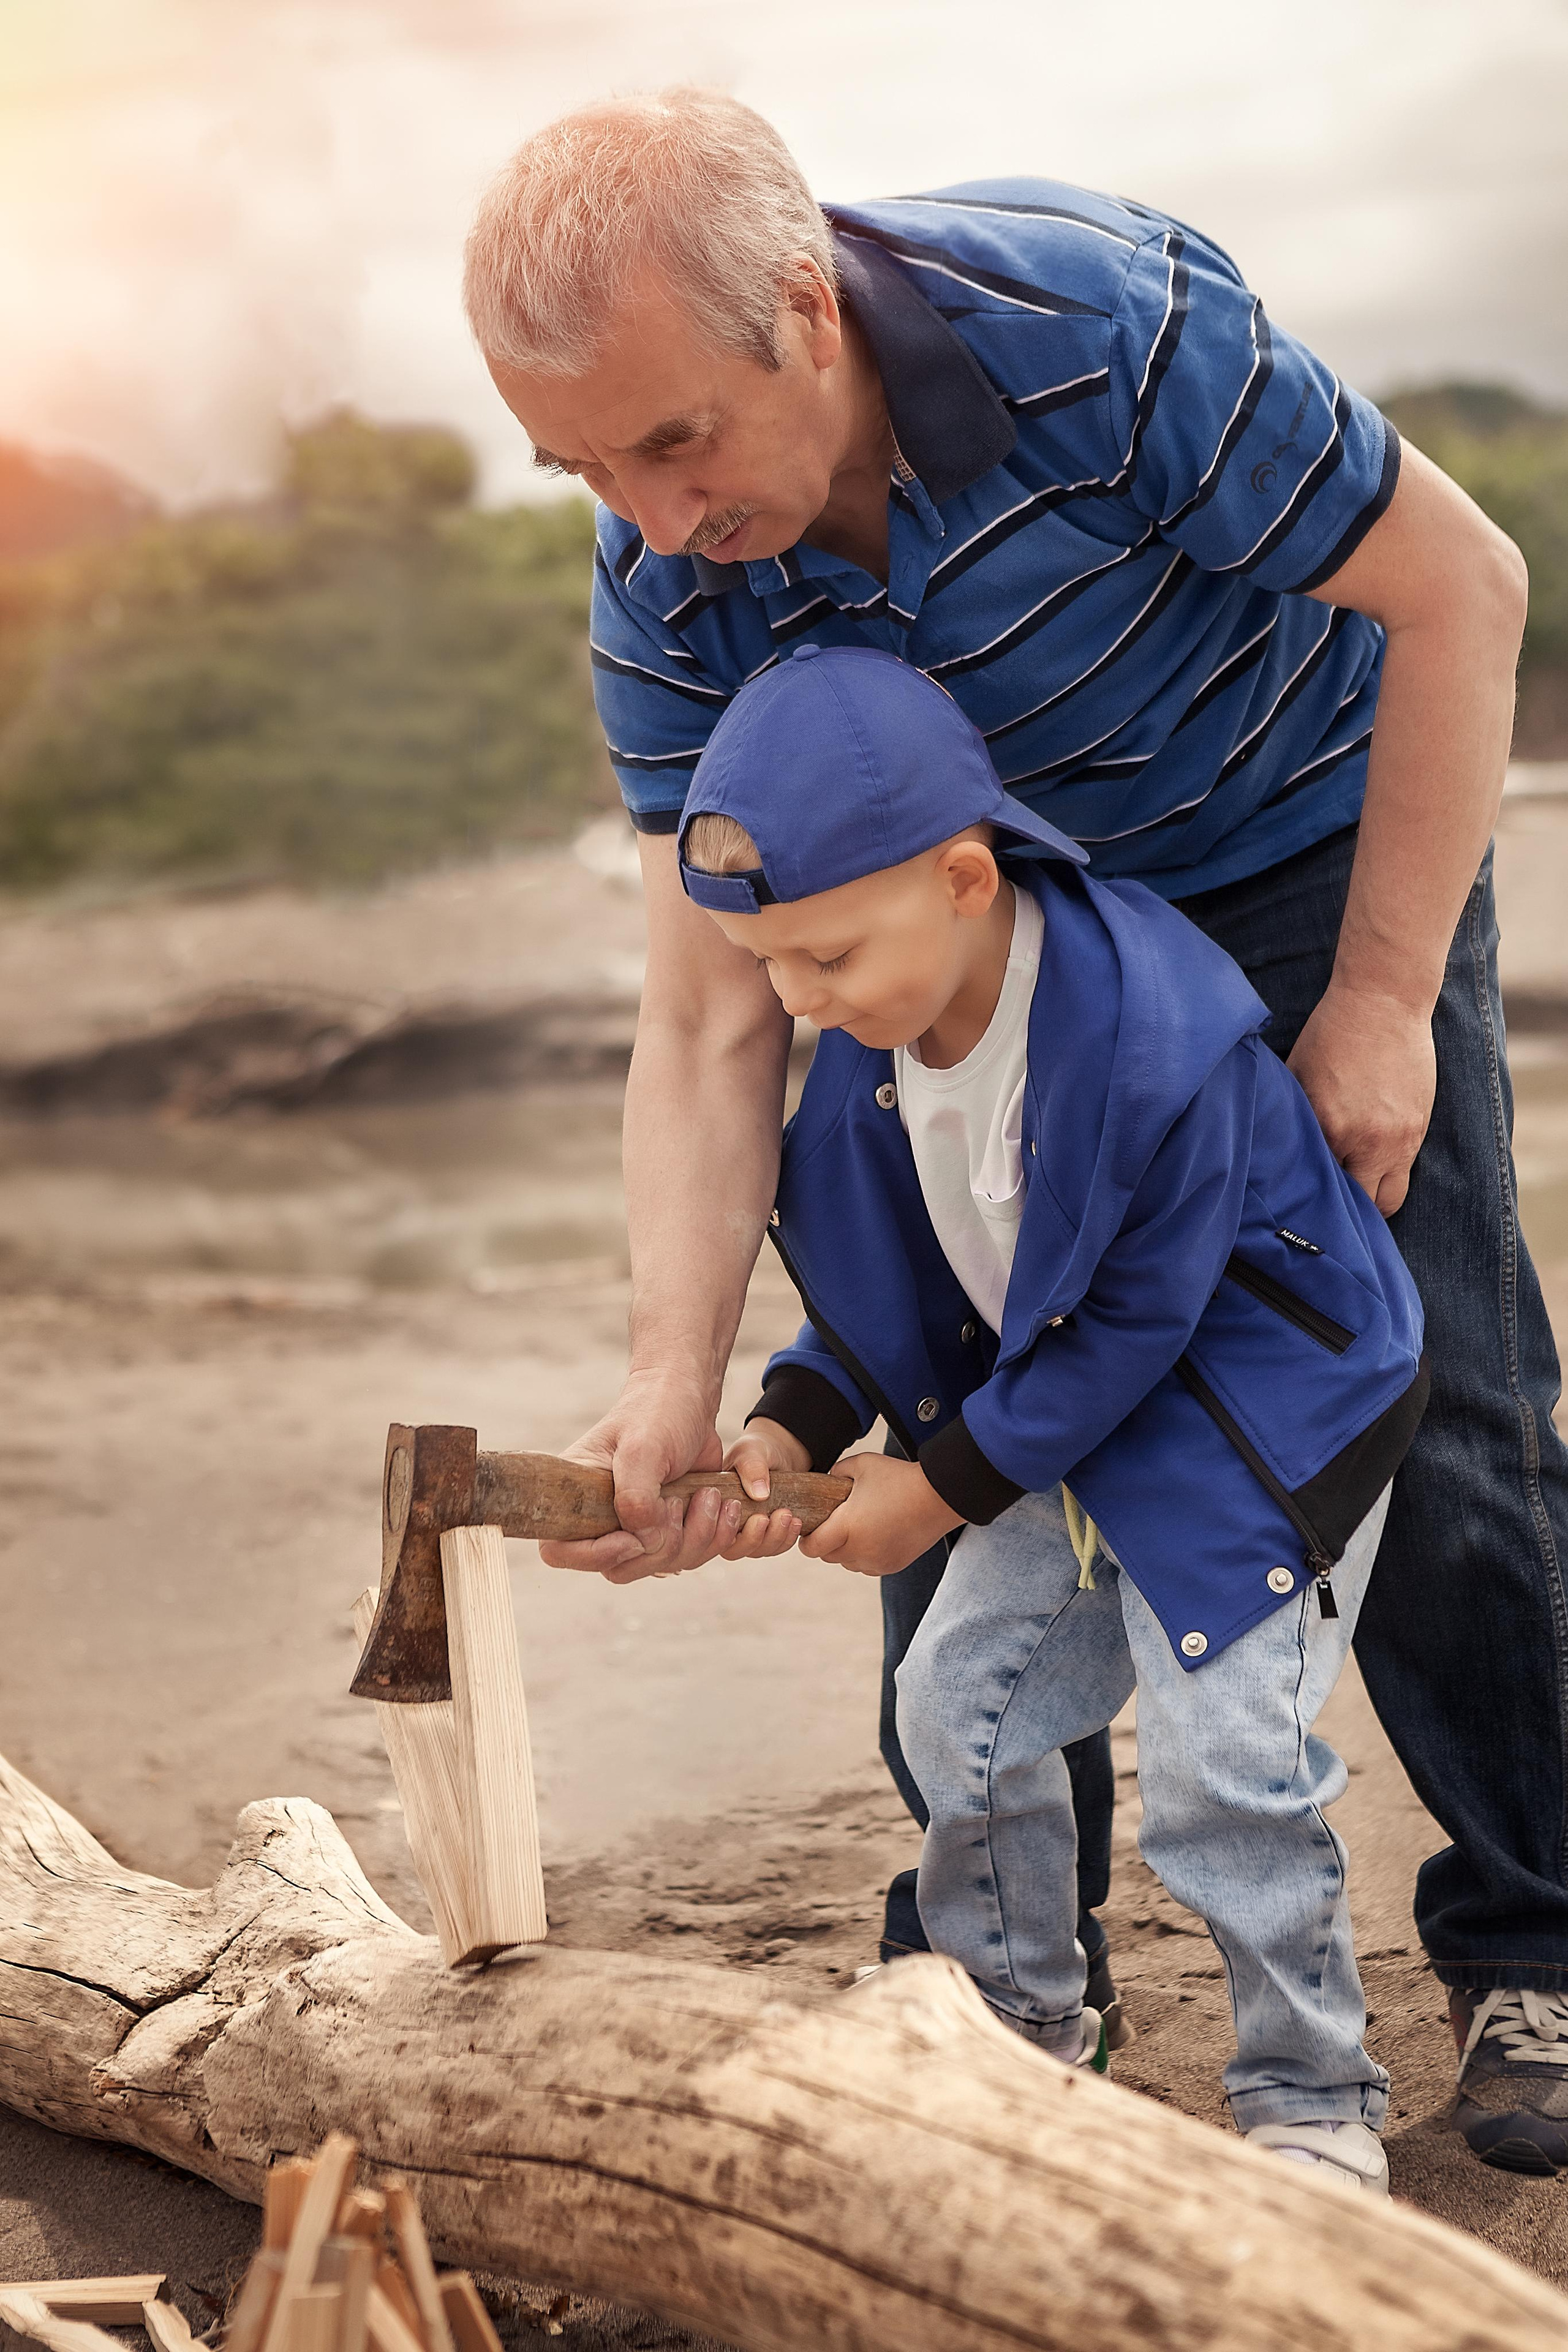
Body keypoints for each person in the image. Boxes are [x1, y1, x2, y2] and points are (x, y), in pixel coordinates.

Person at [462, 92, 1568, 2173]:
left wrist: (1382, 1003)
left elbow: (1466, 589)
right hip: (978, 947)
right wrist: (677, 1382)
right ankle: (1005, 1979)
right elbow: (711, 1008)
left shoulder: (1104, 334)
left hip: (1300, 849)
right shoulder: (669, 584)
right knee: (945, 1381)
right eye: (582, 466)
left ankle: (1545, 1941)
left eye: (673, 440)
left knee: (1445, 1394)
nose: (643, 511)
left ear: (805, 312)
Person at [674, 641, 1426, 2195]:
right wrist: (791, 1425)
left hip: (1251, 1425)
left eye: (823, 958)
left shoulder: (1150, 1040)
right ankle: (1017, 2030)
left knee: (1229, 1772)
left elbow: (1140, 1318)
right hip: (1060, 1416)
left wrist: (935, 1490)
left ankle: (1307, 2095)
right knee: (957, 1707)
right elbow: (899, 1283)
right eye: (768, 971)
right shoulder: (869, 1052)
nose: (795, 1001)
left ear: (961, 877)